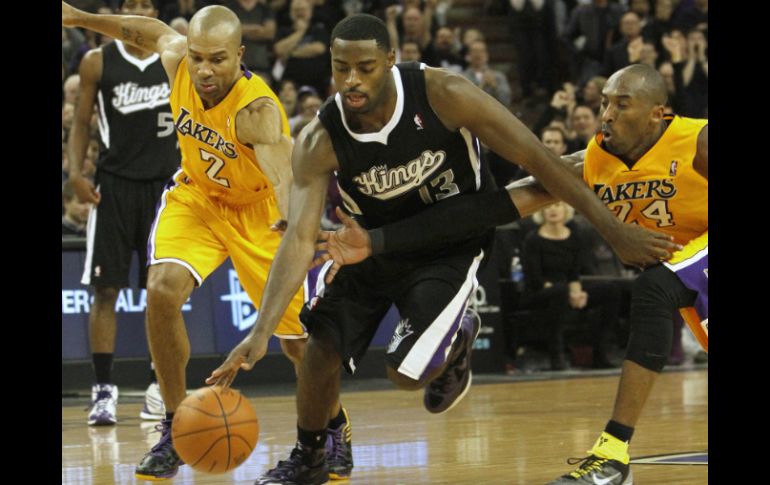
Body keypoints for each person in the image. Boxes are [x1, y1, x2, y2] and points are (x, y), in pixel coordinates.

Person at [205, 15, 679, 485]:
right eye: (341, 67)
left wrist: (613, 230)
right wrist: (261, 332)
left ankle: (455, 344)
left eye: (365, 68)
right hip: (370, 246)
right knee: (319, 349)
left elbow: (537, 158)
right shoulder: (320, 138)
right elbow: (298, 238)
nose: (351, 80)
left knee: (405, 374)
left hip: (450, 246)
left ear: (391, 61)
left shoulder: (443, 93)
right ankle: (309, 457)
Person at [314, 63, 706, 485]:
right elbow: (488, 209)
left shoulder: (696, 141)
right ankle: (613, 456)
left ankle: (612, 454)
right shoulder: (591, 162)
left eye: (622, 105)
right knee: (656, 287)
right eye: (605, 103)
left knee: (653, 288)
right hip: (685, 268)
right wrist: (378, 239)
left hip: (690, 260)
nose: (607, 115)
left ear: (657, 114)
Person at [61, 2, 353, 480]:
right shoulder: (177, 59)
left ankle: (335, 427)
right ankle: (175, 425)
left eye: (217, 59)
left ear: (240, 54)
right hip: (197, 198)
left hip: (258, 212)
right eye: (198, 57)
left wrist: (293, 222)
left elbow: (284, 175)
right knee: (161, 290)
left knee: (299, 343)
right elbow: (143, 30)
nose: (204, 69)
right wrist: (78, 18)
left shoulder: (257, 111)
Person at [67, 0, 182, 427]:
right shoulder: (97, 61)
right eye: (131, 4)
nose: (139, 10)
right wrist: (75, 173)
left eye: (146, 4)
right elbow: (81, 123)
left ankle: (159, 386)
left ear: (155, 12)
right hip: (113, 186)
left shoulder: (175, 57)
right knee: (105, 291)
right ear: (120, 11)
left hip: (166, 189)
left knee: (162, 294)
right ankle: (103, 390)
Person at [520, 202, 621, 370]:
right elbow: (534, 277)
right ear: (541, 212)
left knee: (611, 290)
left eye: (557, 206)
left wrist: (577, 293)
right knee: (560, 291)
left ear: (566, 210)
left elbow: (574, 275)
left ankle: (600, 353)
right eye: (547, 207)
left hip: (566, 289)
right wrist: (567, 292)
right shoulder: (533, 239)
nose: (552, 210)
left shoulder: (575, 238)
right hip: (540, 291)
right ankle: (556, 357)